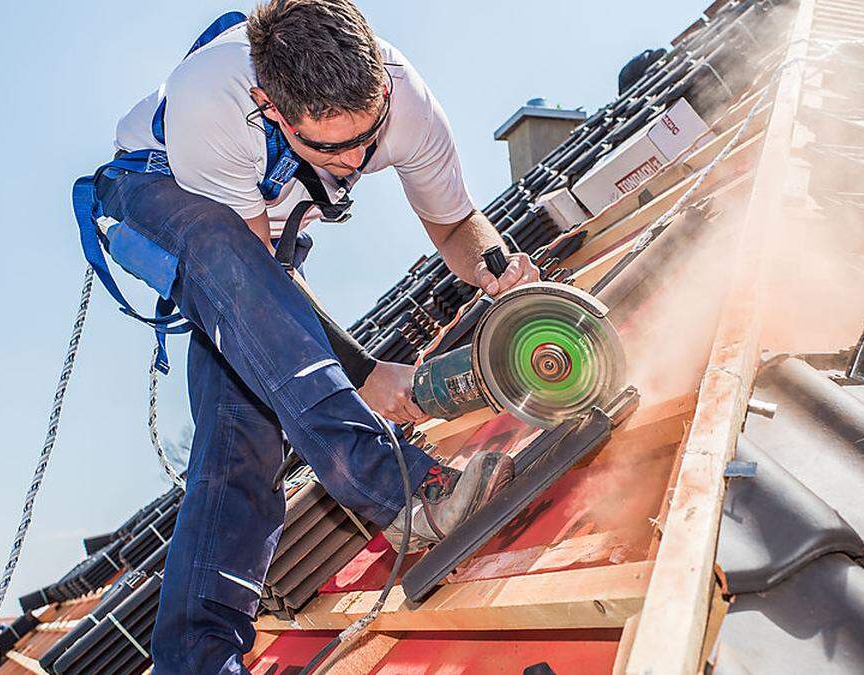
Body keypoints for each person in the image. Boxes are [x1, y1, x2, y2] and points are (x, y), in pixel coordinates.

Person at [72, 1, 538, 672]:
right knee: (224, 255)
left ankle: (195, 661)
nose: (350, 163)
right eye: (325, 148)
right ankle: (404, 490)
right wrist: (365, 371)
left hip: (253, 253)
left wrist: (508, 280)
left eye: (365, 139)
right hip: (160, 191)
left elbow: (456, 224)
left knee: (246, 442)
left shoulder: (409, 101)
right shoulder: (215, 102)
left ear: (382, 85)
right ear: (271, 107)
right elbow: (255, 283)